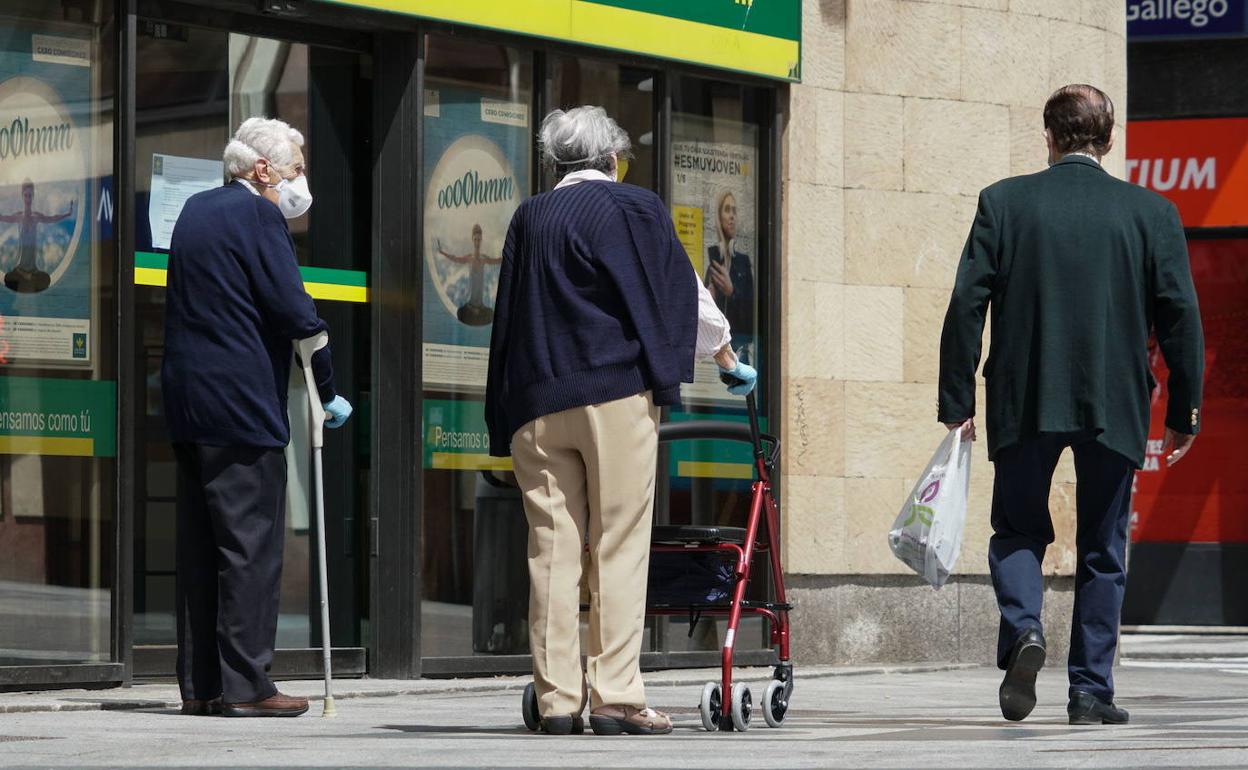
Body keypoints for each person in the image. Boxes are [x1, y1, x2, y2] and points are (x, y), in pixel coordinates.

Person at [485, 106, 757, 737]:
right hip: (613, 394)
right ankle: (614, 697)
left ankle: (555, 702)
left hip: (536, 403)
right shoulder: (635, 208)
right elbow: (682, 291)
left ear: (556, 162)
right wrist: (723, 355)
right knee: (618, 544)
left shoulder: (529, 216)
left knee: (551, 554)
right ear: (612, 159)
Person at [938, 84, 1204, 726]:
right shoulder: (1151, 212)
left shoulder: (1004, 203)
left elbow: (966, 304)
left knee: (1019, 528)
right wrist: (1184, 410)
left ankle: (1026, 631)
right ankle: (1089, 692)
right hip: (1114, 400)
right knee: (1103, 547)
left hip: (1024, 395)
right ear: (1108, 140)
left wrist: (956, 400)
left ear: (1049, 137)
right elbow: (1181, 317)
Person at [162, 117, 353, 718]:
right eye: (296, 167)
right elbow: (295, 309)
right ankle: (247, 687)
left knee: (200, 546)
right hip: (243, 405)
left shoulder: (194, 209)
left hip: (189, 403)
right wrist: (327, 391)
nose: (301, 181)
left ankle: (202, 687)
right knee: (249, 547)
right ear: (263, 170)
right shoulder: (259, 215)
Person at [0, 179, 75, 293]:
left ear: (33, 197)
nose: (28, 199)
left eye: (30, 196)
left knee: (45, 280)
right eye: (26, 195)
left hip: (33, 270)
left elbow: (52, 218)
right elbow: (4, 217)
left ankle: (29, 278)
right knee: (9, 280)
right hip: (19, 269)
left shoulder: (36, 217)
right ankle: (24, 279)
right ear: (22, 197)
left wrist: (67, 214)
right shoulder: (18, 217)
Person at [704, 191, 754, 338]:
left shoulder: (742, 262)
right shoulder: (713, 264)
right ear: (719, 217)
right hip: (716, 343)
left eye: (734, 211)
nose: (732, 216)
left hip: (737, 341)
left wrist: (731, 292)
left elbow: (751, 313)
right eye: (727, 210)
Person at [436, 223, 501, 325]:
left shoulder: (484, 259)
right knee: (460, 314)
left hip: (481, 308)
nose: (477, 242)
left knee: (491, 316)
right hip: (469, 307)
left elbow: (498, 261)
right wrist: (442, 252)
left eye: (479, 239)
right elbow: (455, 258)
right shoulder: (469, 258)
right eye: (475, 239)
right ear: (472, 240)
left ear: (481, 240)